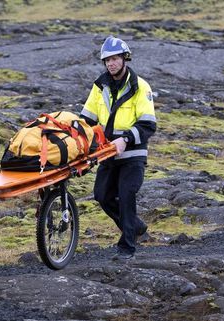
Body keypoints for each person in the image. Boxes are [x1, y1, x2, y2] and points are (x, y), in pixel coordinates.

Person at [80, 36, 156, 260]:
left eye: (114, 59)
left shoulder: (140, 86)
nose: (110, 63)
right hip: (107, 152)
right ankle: (135, 226)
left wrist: (125, 139)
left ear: (125, 58)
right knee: (102, 196)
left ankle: (127, 247)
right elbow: (87, 119)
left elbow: (148, 124)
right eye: (107, 60)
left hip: (133, 153)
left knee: (126, 194)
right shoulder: (99, 85)